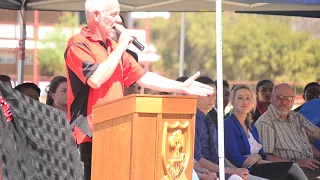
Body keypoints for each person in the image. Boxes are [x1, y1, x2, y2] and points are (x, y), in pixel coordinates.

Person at [64, 0, 214, 179]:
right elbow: (95, 79)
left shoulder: (113, 49)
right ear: (96, 16)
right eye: (113, 15)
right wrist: (120, 47)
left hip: (116, 132)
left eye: (118, 13)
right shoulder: (78, 43)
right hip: (87, 136)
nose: (118, 19)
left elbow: (143, 77)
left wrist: (181, 87)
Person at [224, 84, 307, 179]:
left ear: (252, 103)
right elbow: (233, 157)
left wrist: (257, 156)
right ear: (233, 102)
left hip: (259, 166)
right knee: (292, 168)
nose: (245, 101)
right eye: (240, 98)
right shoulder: (227, 124)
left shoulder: (251, 128)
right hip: (245, 170)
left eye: (248, 98)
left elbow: (262, 154)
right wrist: (257, 159)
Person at [255, 83, 320, 179]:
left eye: (289, 98)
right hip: (289, 170)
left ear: (293, 99)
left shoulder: (296, 116)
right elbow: (265, 157)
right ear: (272, 98)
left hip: (309, 165)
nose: (284, 102)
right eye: (280, 97)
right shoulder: (266, 123)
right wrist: (296, 162)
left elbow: (316, 132)